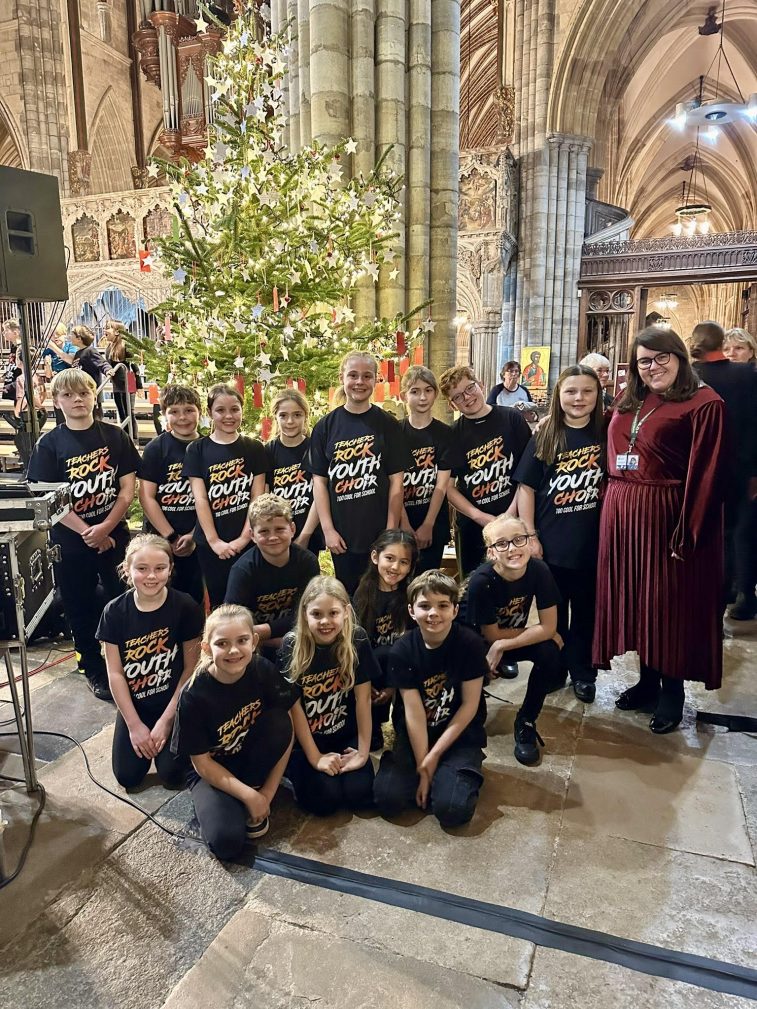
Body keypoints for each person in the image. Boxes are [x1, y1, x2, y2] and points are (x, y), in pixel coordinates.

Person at [593, 327, 727, 733]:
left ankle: (673, 691)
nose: (653, 367)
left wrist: (689, 530)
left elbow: (707, 474)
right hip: (622, 511)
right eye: (644, 361)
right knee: (636, 602)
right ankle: (647, 682)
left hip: (665, 515)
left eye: (661, 357)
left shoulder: (704, 403)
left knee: (666, 606)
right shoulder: (629, 398)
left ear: (679, 357)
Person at [27, 370, 140, 700]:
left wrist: (105, 528)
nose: (77, 399)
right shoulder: (49, 445)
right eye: (68, 395)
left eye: (84, 393)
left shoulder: (115, 436)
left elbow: (127, 490)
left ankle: (130, 661)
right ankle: (91, 666)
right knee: (80, 606)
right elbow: (47, 497)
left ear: (94, 396)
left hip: (115, 536)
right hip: (71, 541)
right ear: (56, 401)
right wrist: (87, 532)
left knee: (124, 599)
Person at [172, 604, 297, 859]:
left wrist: (267, 793)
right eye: (222, 643)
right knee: (225, 842)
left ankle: (248, 789)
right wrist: (249, 796)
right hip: (210, 769)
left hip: (247, 757)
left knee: (280, 720)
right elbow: (201, 763)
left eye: (242, 640)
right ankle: (230, 800)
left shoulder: (262, 669)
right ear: (207, 648)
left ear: (254, 641)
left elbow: (287, 730)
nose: (233, 650)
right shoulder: (193, 695)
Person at [515, 366, 605, 702]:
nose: (579, 398)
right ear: (558, 395)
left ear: (597, 395)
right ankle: (556, 669)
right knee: (553, 613)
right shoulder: (546, 435)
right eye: (571, 391)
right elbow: (526, 488)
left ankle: (583, 672)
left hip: (593, 543)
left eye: (587, 391)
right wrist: (530, 535)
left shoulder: (606, 433)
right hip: (552, 543)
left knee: (586, 613)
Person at [373, 570, 487, 827]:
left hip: (458, 736)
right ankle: (435, 775)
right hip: (416, 735)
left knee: (452, 810)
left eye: (442, 605)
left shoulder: (470, 644)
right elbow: (413, 714)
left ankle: (461, 769)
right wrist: (423, 765)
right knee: (387, 799)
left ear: (455, 610)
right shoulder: (402, 650)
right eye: (425, 606)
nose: (433, 613)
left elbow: (469, 706)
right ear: (412, 611)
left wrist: (433, 757)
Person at [97, 535, 204, 789]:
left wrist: (167, 721)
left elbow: (191, 668)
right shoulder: (114, 612)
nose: (152, 576)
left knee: (173, 775)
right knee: (127, 776)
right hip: (137, 704)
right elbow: (115, 674)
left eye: (160, 568)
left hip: (174, 702)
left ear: (170, 568)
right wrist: (134, 725)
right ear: (127, 569)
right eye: (142, 568)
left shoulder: (185, 606)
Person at [306, 351, 410, 595]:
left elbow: (397, 483)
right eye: (353, 375)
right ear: (342, 378)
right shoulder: (325, 426)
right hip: (342, 535)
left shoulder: (388, 424)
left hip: (379, 530)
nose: (359, 382)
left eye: (367, 376)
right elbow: (319, 483)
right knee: (349, 596)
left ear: (376, 379)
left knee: (384, 593)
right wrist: (328, 529)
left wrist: (390, 531)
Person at [465, 515, 563, 766]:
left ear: (530, 542)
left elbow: (549, 627)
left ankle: (527, 720)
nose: (512, 548)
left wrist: (503, 644)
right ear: (491, 552)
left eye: (519, 539)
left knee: (550, 650)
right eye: (502, 543)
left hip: (501, 641)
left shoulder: (539, 570)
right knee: (474, 720)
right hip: (474, 645)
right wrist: (538, 631)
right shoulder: (481, 581)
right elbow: (490, 635)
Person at [280, 575, 378, 815]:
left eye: (333, 613)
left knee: (360, 794)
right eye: (317, 614)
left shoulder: (357, 639)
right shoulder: (292, 645)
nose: (325, 621)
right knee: (326, 802)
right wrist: (315, 757)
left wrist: (363, 751)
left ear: (346, 612)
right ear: (305, 614)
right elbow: (294, 708)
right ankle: (291, 771)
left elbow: (363, 699)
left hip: (345, 734)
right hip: (308, 740)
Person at [690, 320, 757, 619]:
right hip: (738, 469)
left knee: (721, 532)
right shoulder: (746, 375)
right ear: (720, 345)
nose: (733, 352)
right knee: (733, 533)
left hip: (704, 468)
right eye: (729, 347)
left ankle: (721, 592)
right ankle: (731, 591)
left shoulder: (689, 375)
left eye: (739, 347)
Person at [440, 365, 532, 578]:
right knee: (473, 584)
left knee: (516, 583)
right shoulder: (452, 435)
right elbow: (448, 487)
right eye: (458, 396)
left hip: (515, 517)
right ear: (452, 404)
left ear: (481, 385)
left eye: (470, 388)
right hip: (473, 526)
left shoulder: (512, 419)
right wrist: (479, 516)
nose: (467, 397)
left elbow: (526, 472)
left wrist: (510, 513)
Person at [183, 383, 267, 607]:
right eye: (220, 410)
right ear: (210, 412)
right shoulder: (196, 450)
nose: (228, 416)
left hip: (249, 539)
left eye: (234, 409)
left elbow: (257, 498)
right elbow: (200, 498)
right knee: (219, 601)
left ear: (242, 410)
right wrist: (214, 541)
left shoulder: (254, 448)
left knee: (249, 600)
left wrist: (244, 538)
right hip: (210, 544)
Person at [224, 494, 320, 659]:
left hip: (299, 639)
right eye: (264, 531)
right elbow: (233, 621)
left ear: (292, 529)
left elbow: (310, 612)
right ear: (252, 535)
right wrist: (266, 639)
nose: (273, 537)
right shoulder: (243, 570)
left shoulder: (307, 561)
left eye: (280, 529)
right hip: (254, 647)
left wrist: (265, 631)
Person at [139, 384, 205, 605]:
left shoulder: (208, 447)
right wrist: (171, 537)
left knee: (194, 599)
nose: (182, 417)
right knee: (160, 598)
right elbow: (147, 497)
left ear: (199, 411)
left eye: (189, 410)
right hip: (161, 539)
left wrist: (195, 535)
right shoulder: (156, 449)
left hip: (199, 538)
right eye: (174, 411)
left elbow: (214, 499)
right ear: (165, 415)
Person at [353, 529, 418, 748]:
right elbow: (359, 644)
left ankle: (403, 720)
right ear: (375, 557)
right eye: (389, 558)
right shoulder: (363, 593)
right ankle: (372, 723)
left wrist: (392, 686)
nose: (395, 567)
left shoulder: (410, 595)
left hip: (402, 667)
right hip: (373, 669)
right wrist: (368, 683)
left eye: (403, 562)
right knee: (378, 655)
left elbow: (413, 642)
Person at [399, 366, 453, 573]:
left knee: (427, 580)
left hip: (433, 522)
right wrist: (404, 523)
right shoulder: (395, 432)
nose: (422, 397)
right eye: (415, 391)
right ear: (403, 395)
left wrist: (428, 524)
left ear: (435, 394)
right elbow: (392, 482)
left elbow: (442, 484)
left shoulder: (444, 433)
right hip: (401, 518)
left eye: (428, 390)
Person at [264, 388, 323, 555]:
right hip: (277, 534)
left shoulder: (315, 449)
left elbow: (320, 495)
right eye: (283, 415)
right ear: (275, 417)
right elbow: (265, 496)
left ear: (306, 416)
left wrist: (305, 536)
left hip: (309, 531)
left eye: (297, 415)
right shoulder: (268, 451)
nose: (290, 421)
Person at [103, 321, 138, 440]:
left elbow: (134, 365)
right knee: (122, 413)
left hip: (128, 381)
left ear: (117, 332)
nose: (105, 330)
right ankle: (126, 438)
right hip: (117, 384)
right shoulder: (109, 347)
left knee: (129, 412)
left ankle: (133, 438)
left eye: (108, 328)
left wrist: (138, 385)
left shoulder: (125, 345)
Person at [70, 325, 113, 419]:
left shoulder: (90, 351)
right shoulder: (78, 353)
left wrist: (108, 370)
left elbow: (102, 363)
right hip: (81, 392)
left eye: (72, 334)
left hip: (92, 393)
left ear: (79, 338)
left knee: (95, 419)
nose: (70, 337)